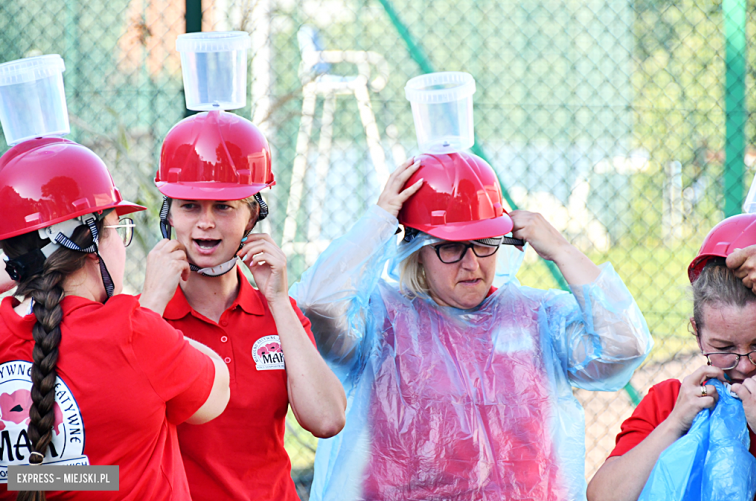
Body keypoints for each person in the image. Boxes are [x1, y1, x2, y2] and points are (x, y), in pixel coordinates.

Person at [290, 152, 653, 501]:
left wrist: (559, 248)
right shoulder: (381, 320)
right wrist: (379, 220)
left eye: (484, 243)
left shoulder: (537, 318)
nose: (471, 265)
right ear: (415, 247)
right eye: (450, 247)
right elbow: (316, 305)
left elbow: (625, 345)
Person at [0, 137, 230, 501]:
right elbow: (217, 394)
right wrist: (149, 308)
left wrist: (25, 267)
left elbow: (50, 481)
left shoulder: (3, 329)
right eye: (116, 231)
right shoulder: (131, 332)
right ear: (90, 245)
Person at [149, 110, 346, 501]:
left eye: (224, 206)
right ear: (169, 214)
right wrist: (150, 305)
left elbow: (327, 418)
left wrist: (276, 300)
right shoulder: (145, 315)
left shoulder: (278, 312)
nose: (206, 222)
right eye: (190, 206)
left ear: (252, 216)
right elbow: (99, 456)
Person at [587, 212, 756, 501]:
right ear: (697, 332)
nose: (743, 365)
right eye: (724, 348)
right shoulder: (671, 401)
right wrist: (675, 423)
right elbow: (604, 496)